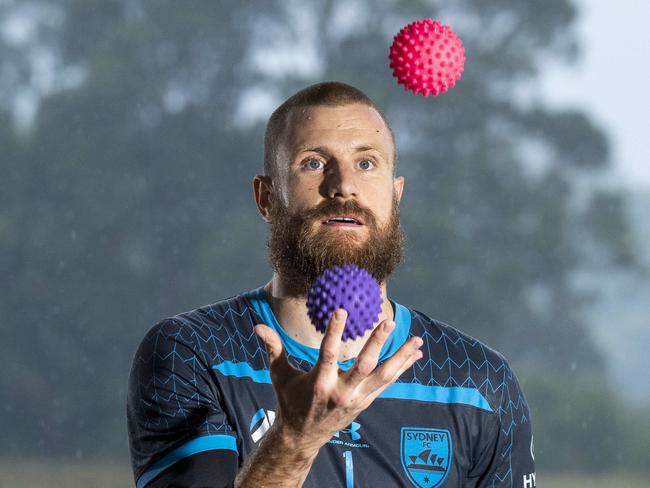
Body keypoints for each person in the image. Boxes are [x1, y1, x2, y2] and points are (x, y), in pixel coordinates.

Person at [127, 81, 536, 488]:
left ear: (396, 197)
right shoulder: (191, 353)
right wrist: (295, 442)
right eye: (313, 163)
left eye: (366, 163)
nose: (343, 185)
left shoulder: (480, 383)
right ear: (266, 197)